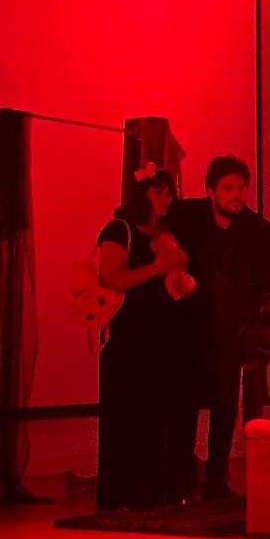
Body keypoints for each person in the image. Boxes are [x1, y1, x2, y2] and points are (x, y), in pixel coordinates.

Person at [168, 156, 270, 502]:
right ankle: (181, 477)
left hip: (232, 328)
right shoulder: (188, 218)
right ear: (211, 191)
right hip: (190, 326)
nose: (236, 195)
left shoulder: (257, 231)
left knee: (224, 404)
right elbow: (158, 227)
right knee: (184, 401)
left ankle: (216, 481)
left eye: (240, 188)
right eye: (228, 188)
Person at [94, 165, 195, 510]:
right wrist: (157, 266)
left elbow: (173, 281)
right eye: (157, 192)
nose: (165, 199)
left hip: (164, 337)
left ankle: (157, 494)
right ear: (143, 195)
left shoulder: (168, 232)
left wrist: (183, 282)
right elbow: (111, 277)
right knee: (127, 418)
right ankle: (122, 496)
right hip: (129, 340)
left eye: (169, 192)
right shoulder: (119, 229)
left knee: (159, 417)